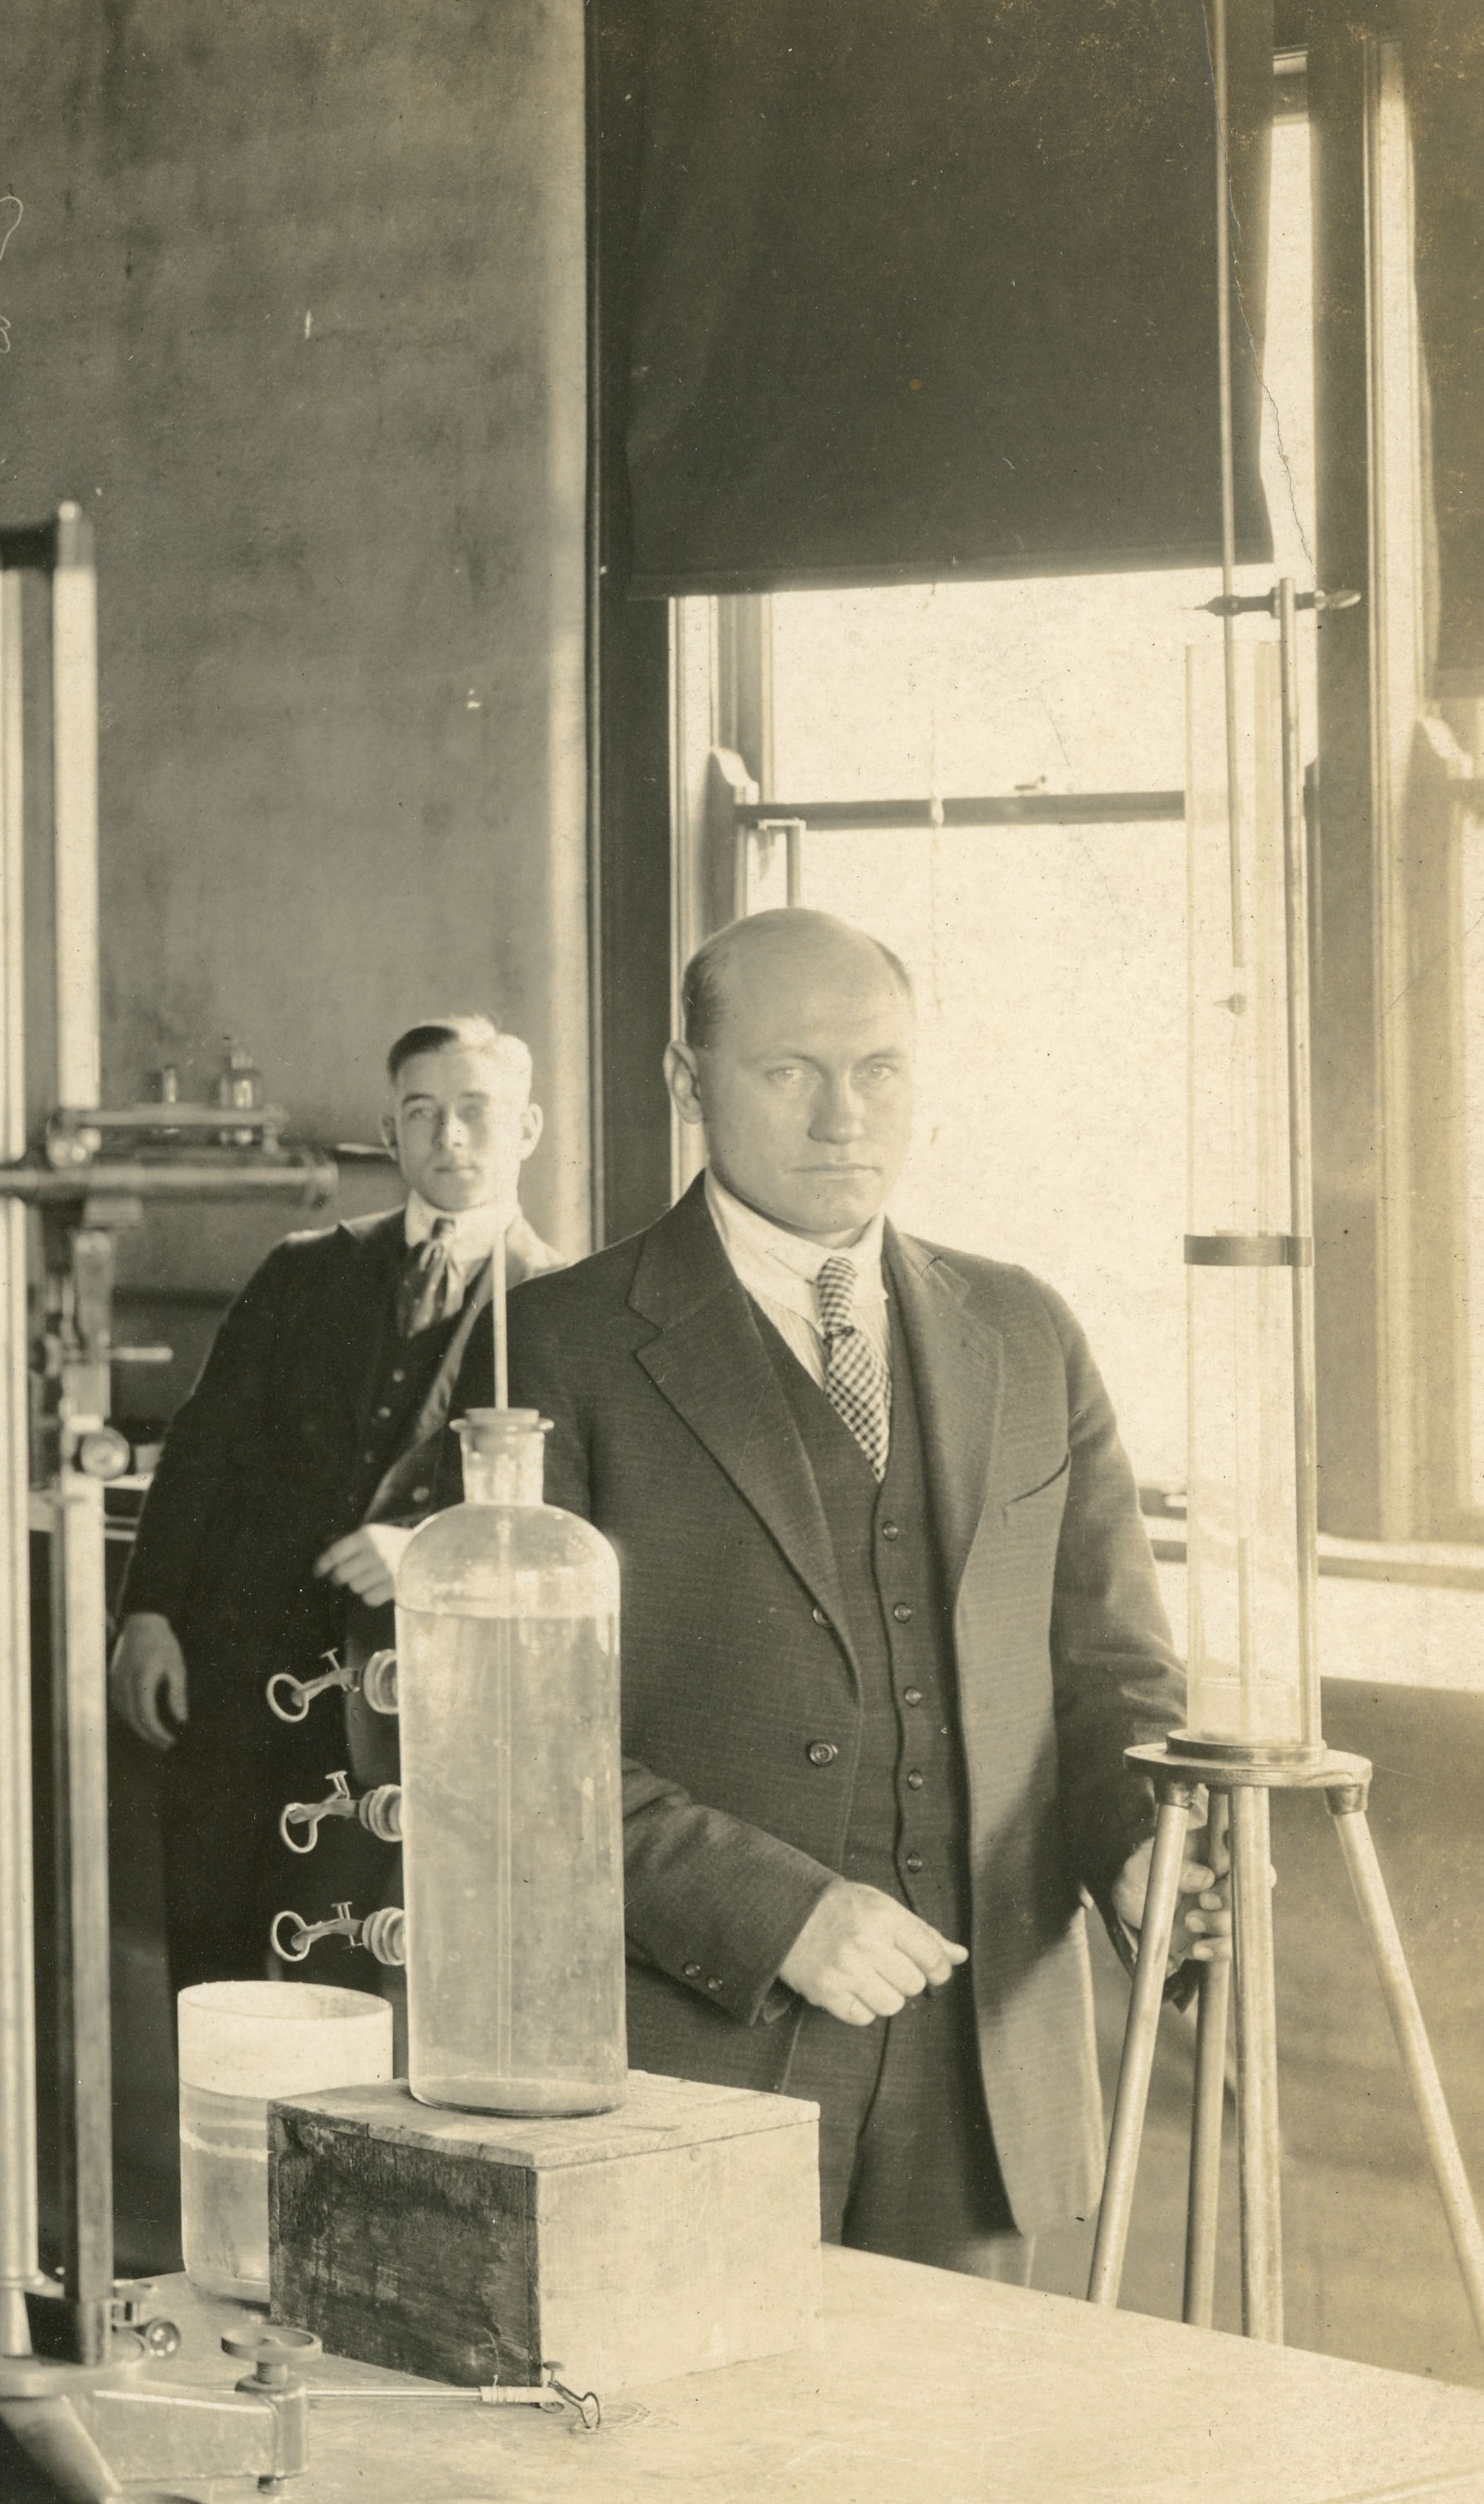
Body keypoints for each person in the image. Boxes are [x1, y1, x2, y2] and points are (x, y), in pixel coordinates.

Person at [505, 908, 1221, 2282]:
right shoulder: (555, 1344)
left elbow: (1112, 1670)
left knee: (950, 2425)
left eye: (878, 1070)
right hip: (684, 2059)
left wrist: (1138, 1838)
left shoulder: (1023, 1328)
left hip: (980, 2073)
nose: (843, 1116)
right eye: (788, 1071)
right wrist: (772, 1911)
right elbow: (506, 1745)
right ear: (687, 1081)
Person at [111, 1016, 564, 2000]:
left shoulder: (565, 1301)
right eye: (422, 1113)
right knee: (212, 1964)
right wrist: (145, 1613)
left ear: (526, 1128)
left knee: (351, 1973)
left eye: (475, 1111)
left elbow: (567, 1516)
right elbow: (200, 1450)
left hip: (402, 1710)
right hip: (236, 1681)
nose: (449, 1136)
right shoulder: (302, 1269)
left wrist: (429, 1549)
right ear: (391, 1132)